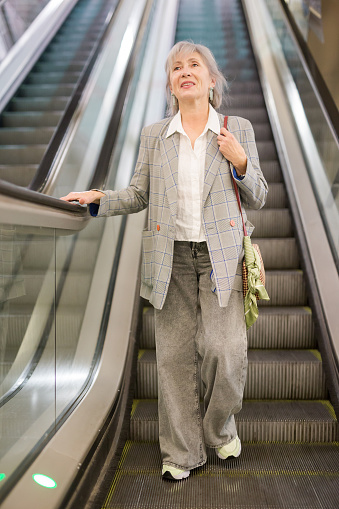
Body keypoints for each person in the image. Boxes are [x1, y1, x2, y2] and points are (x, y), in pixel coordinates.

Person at [61, 41, 268, 482]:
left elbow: (261, 195)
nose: (185, 71)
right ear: (171, 84)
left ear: (212, 81)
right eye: (177, 67)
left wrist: (242, 162)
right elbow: (139, 194)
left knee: (224, 350)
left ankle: (219, 428)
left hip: (221, 258)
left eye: (195, 65)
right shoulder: (155, 136)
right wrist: (100, 199)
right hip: (169, 257)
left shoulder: (237, 129)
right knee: (173, 358)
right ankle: (181, 453)